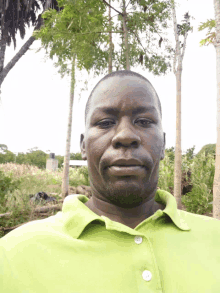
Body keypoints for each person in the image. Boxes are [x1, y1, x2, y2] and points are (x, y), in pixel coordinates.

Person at [1, 70, 220, 293]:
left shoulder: (216, 240)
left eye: (144, 121)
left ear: (163, 144)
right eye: (105, 122)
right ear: (84, 146)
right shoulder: (12, 255)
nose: (125, 136)